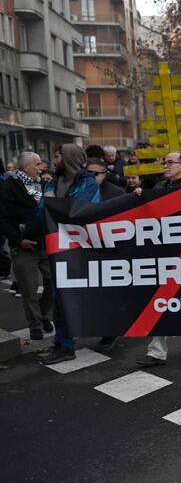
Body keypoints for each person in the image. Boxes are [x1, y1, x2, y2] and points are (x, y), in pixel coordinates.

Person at [135, 152, 181, 366]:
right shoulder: (159, 189)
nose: (165, 165)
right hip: (166, 251)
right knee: (160, 299)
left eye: (170, 162)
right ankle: (156, 352)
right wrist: (140, 196)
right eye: (164, 162)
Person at [41, 144, 101, 364]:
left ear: (67, 158)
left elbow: (78, 210)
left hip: (78, 250)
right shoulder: (53, 181)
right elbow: (42, 213)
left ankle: (102, 332)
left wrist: (51, 202)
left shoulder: (88, 182)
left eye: (57, 156)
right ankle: (63, 343)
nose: (53, 161)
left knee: (77, 296)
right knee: (59, 298)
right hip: (55, 247)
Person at [0, 152, 55, 341]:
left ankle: (41, 313)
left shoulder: (45, 184)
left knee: (54, 283)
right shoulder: (9, 187)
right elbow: (3, 218)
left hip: (46, 244)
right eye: (38, 164)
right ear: (26, 167)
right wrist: (17, 239)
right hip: (24, 247)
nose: (42, 167)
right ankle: (36, 325)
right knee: (29, 289)